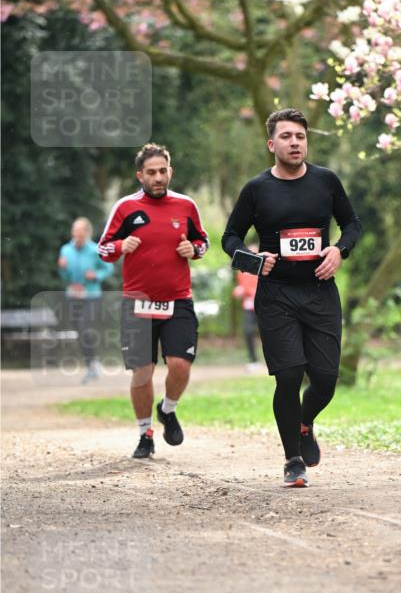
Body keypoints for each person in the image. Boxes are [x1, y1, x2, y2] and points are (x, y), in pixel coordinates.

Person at [222, 108, 362, 488]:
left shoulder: (326, 182)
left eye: (300, 136)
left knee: (326, 379)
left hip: (320, 292)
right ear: (272, 144)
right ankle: (293, 459)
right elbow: (229, 238)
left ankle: (305, 421)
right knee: (287, 375)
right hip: (277, 296)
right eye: (286, 136)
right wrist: (253, 261)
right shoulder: (256, 189)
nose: (294, 142)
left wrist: (339, 251)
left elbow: (351, 224)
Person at [98, 143, 209, 459]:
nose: (158, 177)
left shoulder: (186, 205)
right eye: (151, 172)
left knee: (180, 365)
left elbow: (202, 240)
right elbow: (103, 249)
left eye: (163, 171)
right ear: (140, 175)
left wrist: (195, 250)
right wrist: (121, 245)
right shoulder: (125, 208)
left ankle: (168, 409)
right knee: (143, 372)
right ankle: (144, 433)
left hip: (178, 301)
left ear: (170, 171)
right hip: (137, 304)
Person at [57, 217, 114, 383]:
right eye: (75, 230)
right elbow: (65, 276)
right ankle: (92, 364)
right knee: (80, 332)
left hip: (91, 296)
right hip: (73, 296)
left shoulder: (95, 249)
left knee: (84, 327)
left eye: (80, 231)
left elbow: (108, 267)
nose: (77, 234)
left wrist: (96, 275)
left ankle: (92, 365)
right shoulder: (66, 250)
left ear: (87, 232)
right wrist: (62, 268)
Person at [232, 243, 262, 371]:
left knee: (269, 333)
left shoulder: (265, 268)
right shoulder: (242, 271)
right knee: (248, 331)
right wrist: (239, 290)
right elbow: (242, 287)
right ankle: (254, 361)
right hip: (249, 306)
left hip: (263, 306)